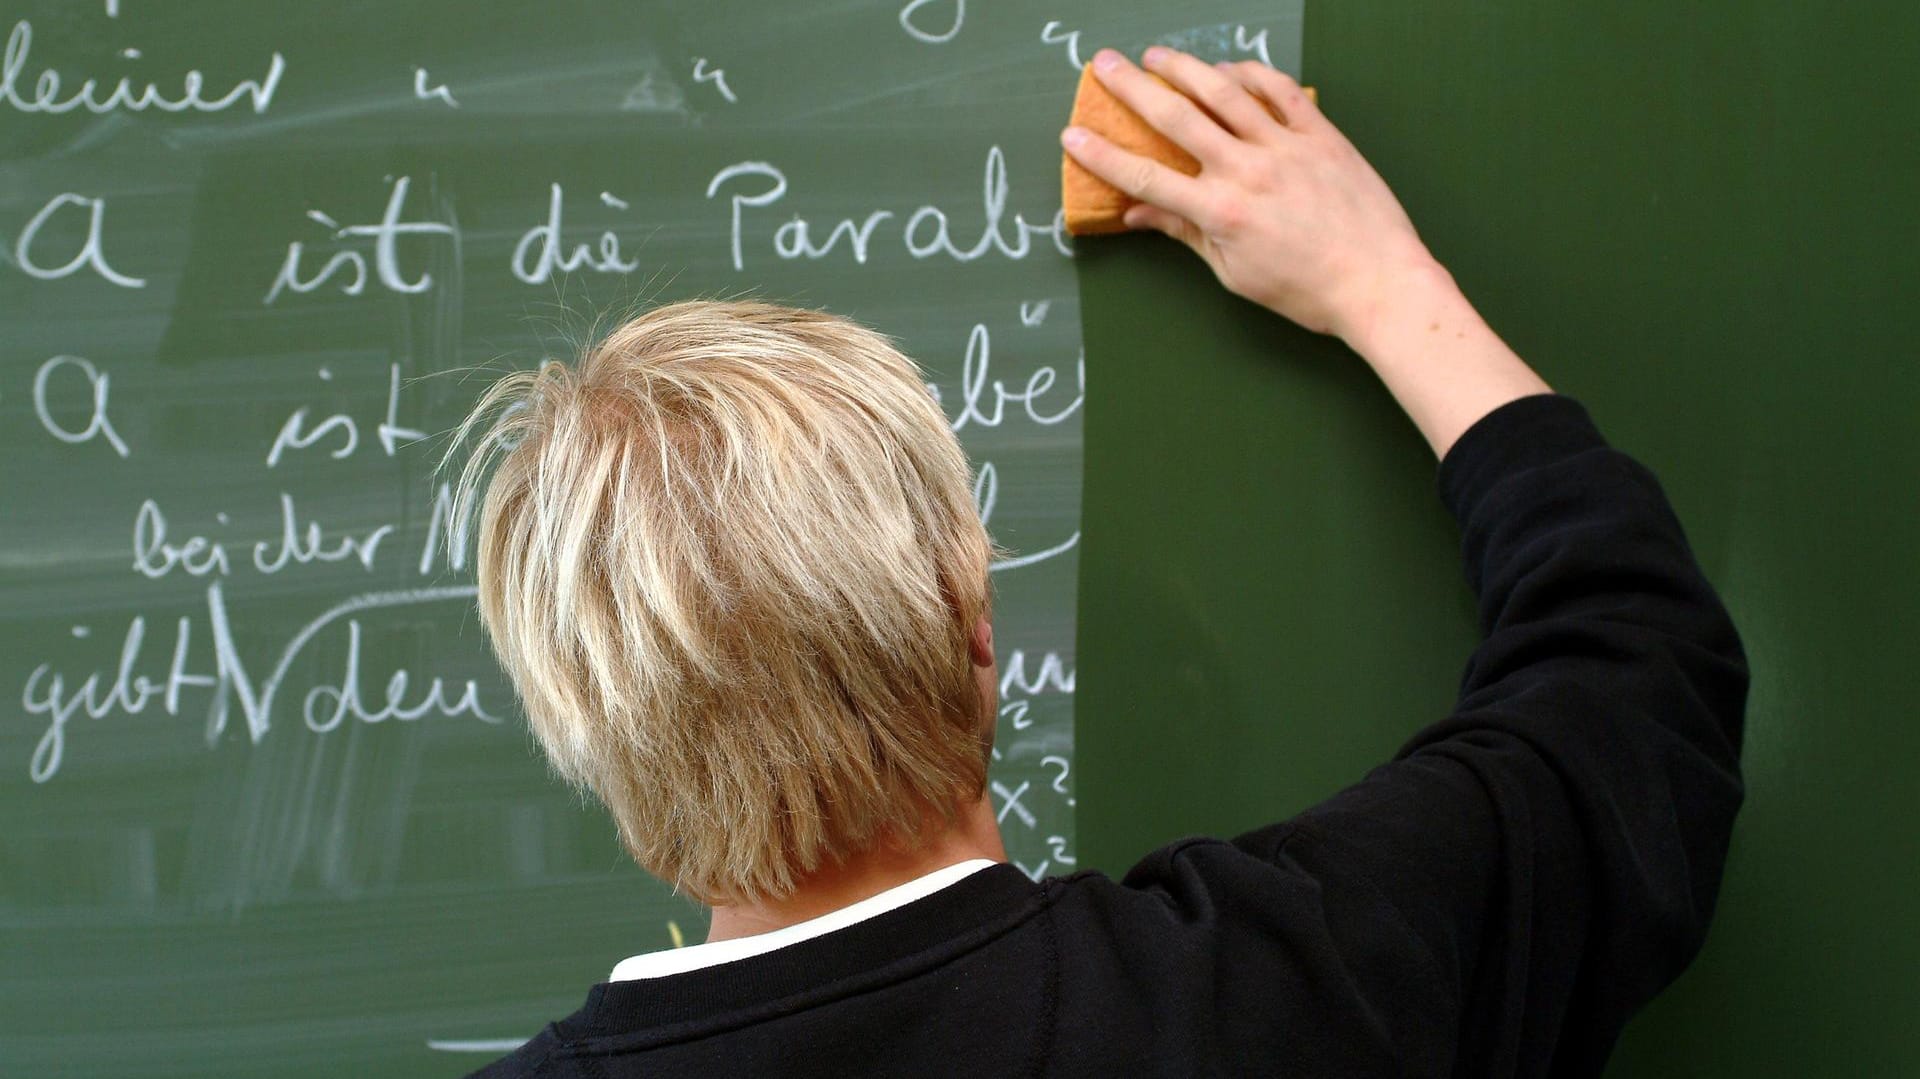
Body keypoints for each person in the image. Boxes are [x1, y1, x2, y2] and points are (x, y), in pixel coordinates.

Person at [456, 46, 1746, 1077]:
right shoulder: (1280, 1002)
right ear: (973, 624)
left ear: (601, 752)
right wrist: (1379, 282)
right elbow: (1638, 686)